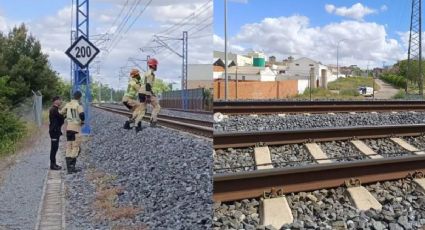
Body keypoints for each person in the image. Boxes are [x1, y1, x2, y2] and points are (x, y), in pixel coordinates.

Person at [60, 91, 85, 174]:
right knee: (75, 147)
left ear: (73, 96)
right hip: (76, 129)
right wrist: (81, 121)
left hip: (68, 128)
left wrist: (67, 117)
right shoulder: (78, 105)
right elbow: (82, 115)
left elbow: (61, 113)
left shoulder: (67, 104)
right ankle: (72, 168)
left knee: (69, 146)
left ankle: (68, 167)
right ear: (79, 97)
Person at [138, 58, 161, 127]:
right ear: (153, 65)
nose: (157, 66)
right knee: (157, 106)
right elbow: (148, 84)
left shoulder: (146, 72)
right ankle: (153, 122)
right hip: (146, 92)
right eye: (156, 65)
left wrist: (152, 92)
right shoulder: (151, 74)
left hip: (141, 92)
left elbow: (146, 84)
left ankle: (137, 123)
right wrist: (148, 96)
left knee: (142, 108)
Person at [48, 96, 65, 170]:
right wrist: (64, 115)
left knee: (55, 147)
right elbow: (60, 117)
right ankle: (52, 165)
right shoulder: (54, 110)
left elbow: (61, 118)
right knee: (54, 148)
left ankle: (54, 163)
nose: (60, 101)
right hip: (54, 131)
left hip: (56, 131)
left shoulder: (56, 109)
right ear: (55, 101)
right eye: (59, 100)